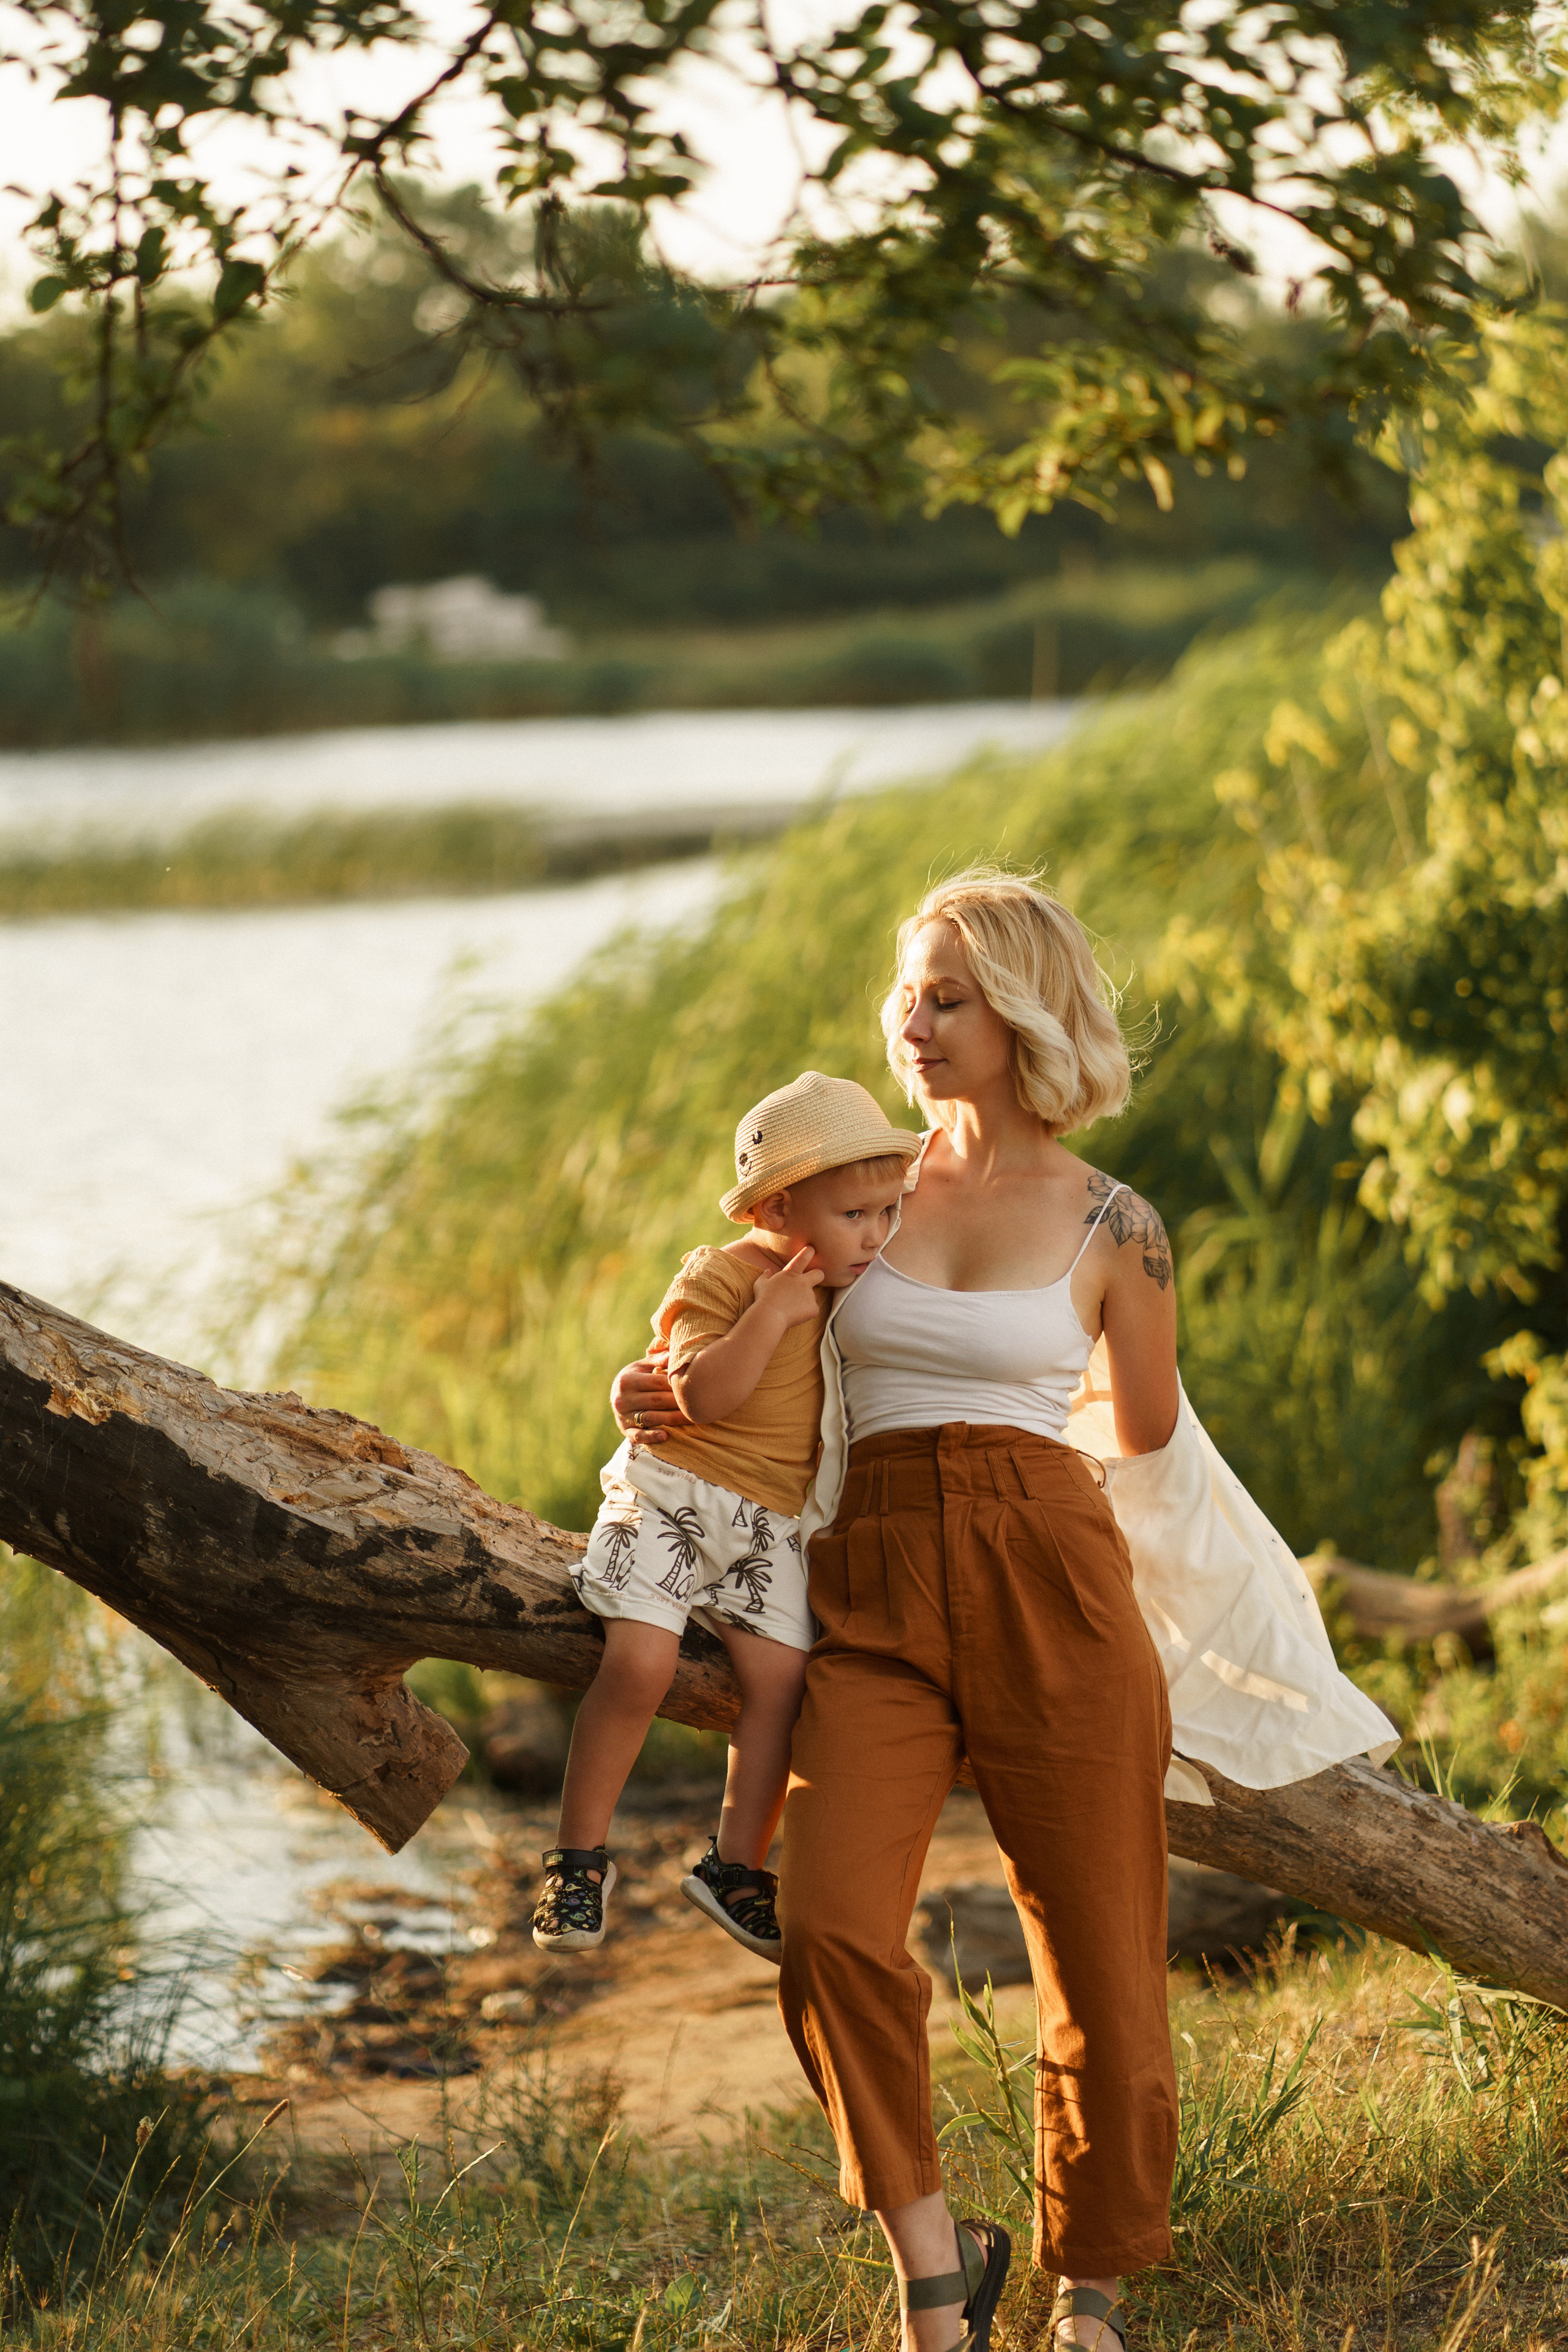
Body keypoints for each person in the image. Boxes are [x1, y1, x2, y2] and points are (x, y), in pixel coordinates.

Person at [611, 867, 1397, 2352]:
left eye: (948, 997)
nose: (913, 1021)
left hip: (1053, 1580)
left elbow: (1149, 1437)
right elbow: (719, 1319)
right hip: (877, 1591)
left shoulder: (1118, 1226)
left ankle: (1084, 2296)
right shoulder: (851, 1191)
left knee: (1097, 1958)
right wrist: (644, 1387)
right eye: (907, 992)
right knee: (834, 1927)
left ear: (1024, 1012)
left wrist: (1020, 1468)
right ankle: (930, 2262)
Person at [533, 1071, 919, 1963]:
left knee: (784, 1689)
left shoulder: (854, 1285)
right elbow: (699, 1395)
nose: (877, 1234)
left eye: (887, 1212)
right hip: (675, 1492)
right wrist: (772, 1314)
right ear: (779, 1210)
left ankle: (734, 1867)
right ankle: (579, 1860)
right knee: (640, 1663)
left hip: (767, 1524)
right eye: (856, 1215)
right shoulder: (720, 1277)